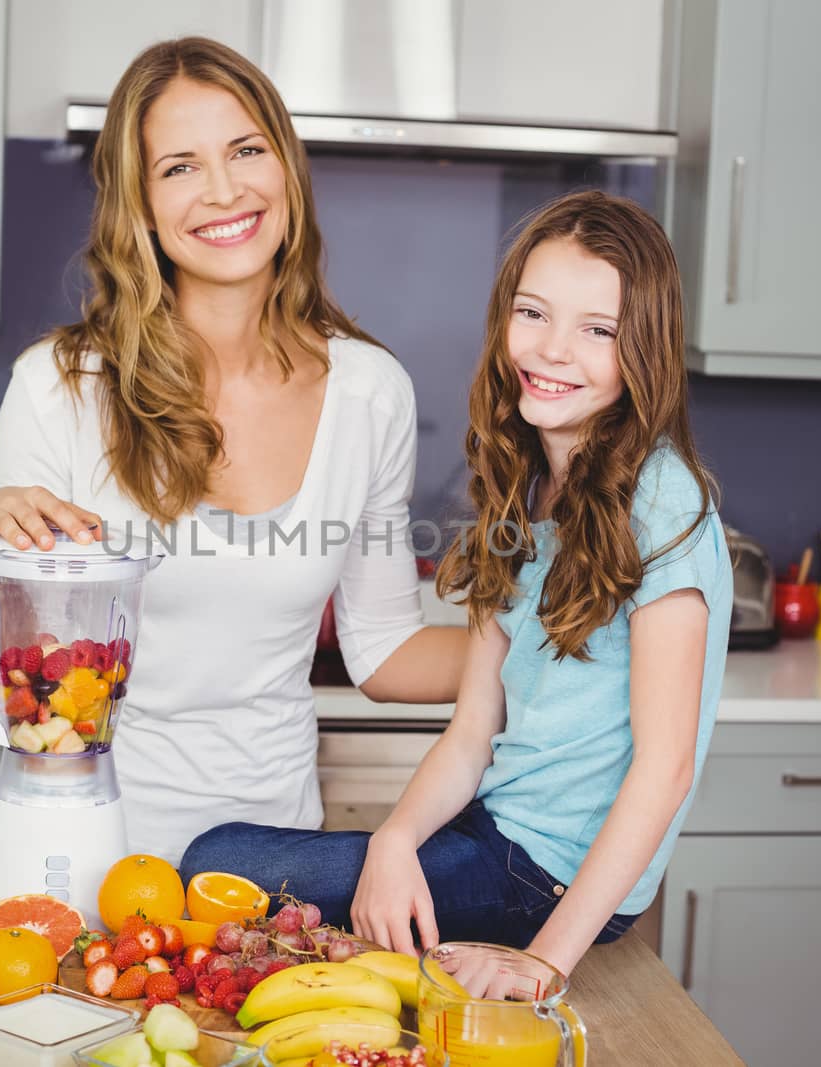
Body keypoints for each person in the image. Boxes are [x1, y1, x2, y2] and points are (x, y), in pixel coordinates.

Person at [180, 190, 732, 978]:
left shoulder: (665, 500)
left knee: (212, 863)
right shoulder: (529, 489)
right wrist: (398, 840)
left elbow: (665, 767)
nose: (551, 349)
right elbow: (474, 730)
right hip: (494, 833)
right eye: (533, 313)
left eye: (598, 330)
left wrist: (541, 965)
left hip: (551, 880)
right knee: (228, 864)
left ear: (645, 347)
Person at [0, 37, 466, 864]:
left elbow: (383, 648)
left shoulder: (371, 392)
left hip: (274, 867)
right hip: (86, 854)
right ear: (141, 206)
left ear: (287, 169)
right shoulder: (62, 387)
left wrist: (565, 653)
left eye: (245, 150)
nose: (224, 189)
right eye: (180, 167)